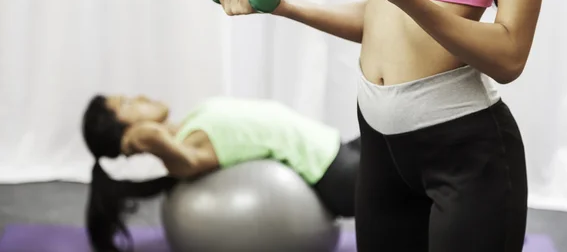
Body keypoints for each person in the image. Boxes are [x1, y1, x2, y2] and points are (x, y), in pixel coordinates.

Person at [212, 0, 557, 251]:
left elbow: (510, 55)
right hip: (379, 142)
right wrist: (282, 6)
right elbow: (380, 18)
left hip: (464, 150)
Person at [82, 94, 360, 252]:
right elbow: (188, 164)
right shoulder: (187, 147)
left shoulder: (190, 125)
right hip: (336, 173)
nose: (140, 97)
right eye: (128, 104)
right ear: (130, 132)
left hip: (338, 148)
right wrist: (151, 140)